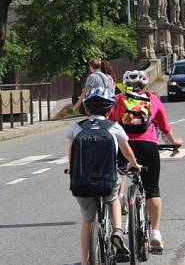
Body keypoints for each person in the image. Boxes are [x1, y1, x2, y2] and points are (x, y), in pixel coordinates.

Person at [109, 70, 183, 253]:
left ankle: (120, 220)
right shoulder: (153, 100)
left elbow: (109, 125)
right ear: (146, 84)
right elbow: (164, 127)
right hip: (148, 147)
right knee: (153, 189)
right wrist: (175, 142)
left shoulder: (118, 100)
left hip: (123, 148)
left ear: (125, 84)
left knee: (115, 186)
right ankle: (156, 233)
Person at [67, 87, 141, 265]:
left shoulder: (76, 128)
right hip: (107, 179)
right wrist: (133, 163)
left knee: (87, 219)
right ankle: (117, 230)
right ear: (109, 111)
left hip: (82, 181)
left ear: (86, 110)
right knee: (113, 198)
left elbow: (71, 155)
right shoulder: (114, 127)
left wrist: (70, 168)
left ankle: (86, 261)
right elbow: (126, 150)